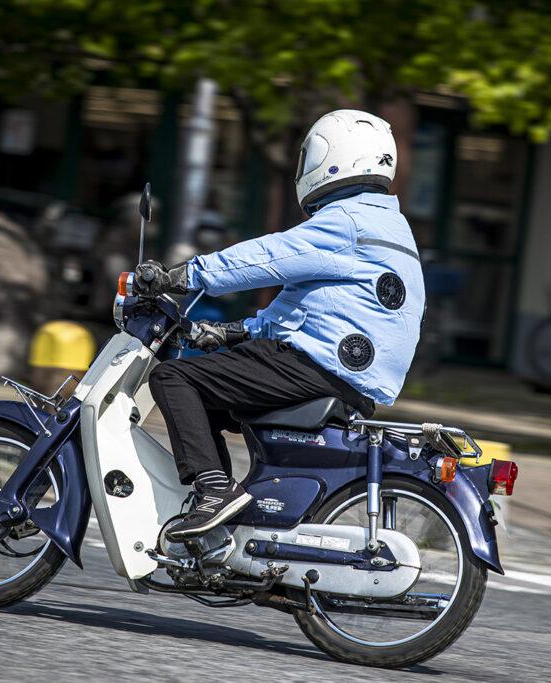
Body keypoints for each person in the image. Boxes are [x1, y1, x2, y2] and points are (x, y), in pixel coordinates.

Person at [137, 109, 426, 540]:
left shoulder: (344, 222)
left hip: (316, 366)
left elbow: (267, 257)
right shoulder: (386, 225)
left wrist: (181, 276)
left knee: (174, 378)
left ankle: (215, 491)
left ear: (334, 158)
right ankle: (219, 513)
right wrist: (228, 333)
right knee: (210, 398)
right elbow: (299, 311)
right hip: (343, 373)